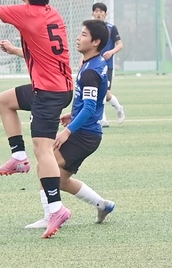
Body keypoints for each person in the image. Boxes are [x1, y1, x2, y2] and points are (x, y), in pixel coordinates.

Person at [0, 0, 74, 238]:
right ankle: (18, 157)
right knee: (5, 101)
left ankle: (56, 208)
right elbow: (43, 53)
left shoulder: (25, 13)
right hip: (59, 87)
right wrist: (17, 50)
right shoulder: (53, 15)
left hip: (48, 93)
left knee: (43, 150)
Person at [23, 19, 116, 231]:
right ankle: (103, 205)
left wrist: (68, 130)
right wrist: (72, 115)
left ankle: (50, 216)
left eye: (83, 34)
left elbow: (91, 109)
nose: (78, 37)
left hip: (84, 135)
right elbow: (88, 103)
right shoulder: (93, 64)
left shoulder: (92, 71)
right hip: (87, 132)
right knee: (60, 181)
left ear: (96, 42)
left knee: (44, 165)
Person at [91, 2, 125, 127]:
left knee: (104, 93)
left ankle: (118, 109)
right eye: (96, 11)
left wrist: (111, 52)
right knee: (97, 91)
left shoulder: (111, 28)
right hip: (93, 64)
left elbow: (120, 44)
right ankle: (103, 119)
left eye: (101, 11)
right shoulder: (90, 29)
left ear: (106, 14)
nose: (98, 14)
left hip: (107, 65)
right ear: (93, 13)